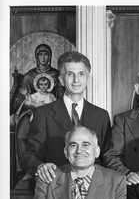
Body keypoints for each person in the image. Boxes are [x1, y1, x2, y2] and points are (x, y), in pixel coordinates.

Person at [19, 51, 111, 183]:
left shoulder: (101, 115)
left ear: (87, 79)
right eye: (70, 74)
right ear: (61, 80)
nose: (76, 80)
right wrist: (40, 167)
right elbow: (28, 156)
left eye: (81, 74)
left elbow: (107, 157)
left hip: (93, 191)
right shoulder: (43, 114)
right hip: (56, 188)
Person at [13, 43, 63, 112]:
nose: (43, 57)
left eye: (45, 54)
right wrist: (34, 105)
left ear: (49, 56)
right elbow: (19, 101)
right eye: (40, 54)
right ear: (37, 57)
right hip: (31, 111)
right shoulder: (29, 76)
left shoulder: (56, 75)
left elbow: (62, 99)